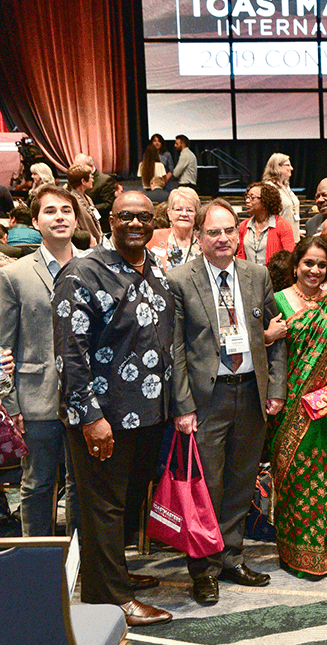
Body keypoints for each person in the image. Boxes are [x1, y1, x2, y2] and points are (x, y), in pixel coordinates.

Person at [53, 191, 174, 626]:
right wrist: (91, 418)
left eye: (145, 217)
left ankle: (112, 574)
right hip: (104, 417)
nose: (137, 224)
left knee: (122, 501)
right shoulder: (82, 272)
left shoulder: (153, 266)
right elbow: (70, 353)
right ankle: (111, 597)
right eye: (127, 217)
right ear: (111, 219)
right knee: (101, 504)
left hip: (147, 413)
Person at [169, 199, 286, 603]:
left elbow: (276, 335)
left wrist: (276, 390)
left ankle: (232, 557)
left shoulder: (257, 274)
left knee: (240, 482)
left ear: (238, 234)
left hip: (251, 393)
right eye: (213, 232)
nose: (222, 239)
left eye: (228, 231)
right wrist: (182, 405)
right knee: (208, 489)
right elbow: (176, 350)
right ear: (199, 237)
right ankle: (203, 569)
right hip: (206, 399)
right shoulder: (180, 280)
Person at [267, 236, 327, 577]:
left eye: (322, 265)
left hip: (324, 407)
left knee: (324, 480)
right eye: (309, 263)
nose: (315, 270)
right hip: (286, 405)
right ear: (296, 264)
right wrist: (267, 335)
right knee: (292, 478)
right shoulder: (276, 301)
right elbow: (262, 347)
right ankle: (294, 552)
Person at [0, 186, 83, 539]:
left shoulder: (96, 268)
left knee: (84, 489)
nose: (60, 217)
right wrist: (10, 402)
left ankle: (88, 568)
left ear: (76, 219)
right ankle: (39, 568)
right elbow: (3, 346)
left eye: (66, 210)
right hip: (36, 401)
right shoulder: (14, 275)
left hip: (87, 400)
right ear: (35, 221)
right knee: (37, 486)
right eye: (50, 211)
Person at [236, 182, 296, 265]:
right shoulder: (244, 225)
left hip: (273, 276)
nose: (247, 201)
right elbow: (241, 255)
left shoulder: (282, 225)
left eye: (252, 198)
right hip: (248, 276)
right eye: (247, 197)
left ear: (265, 201)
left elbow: (289, 256)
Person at [147, 187, 201, 271]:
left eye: (189, 210)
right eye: (178, 209)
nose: (184, 214)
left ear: (196, 215)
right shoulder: (153, 237)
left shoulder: (205, 242)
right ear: (169, 213)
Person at [263, 153, 300, 241]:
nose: (291, 168)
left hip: (293, 237)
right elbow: (269, 217)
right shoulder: (269, 187)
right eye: (287, 165)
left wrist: (296, 230)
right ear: (277, 167)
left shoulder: (286, 186)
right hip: (279, 239)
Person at [65, 164, 102, 245]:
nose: (93, 180)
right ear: (83, 181)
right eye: (91, 177)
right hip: (84, 245)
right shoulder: (71, 200)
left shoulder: (88, 198)